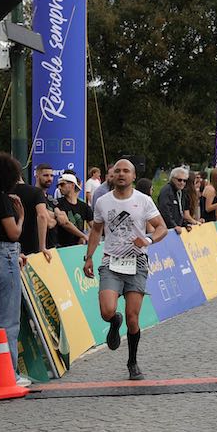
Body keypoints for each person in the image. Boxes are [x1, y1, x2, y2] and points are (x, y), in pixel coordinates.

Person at [83, 159, 167, 381]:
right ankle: (114, 321)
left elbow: (162, 227)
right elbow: (96, 231)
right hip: (111, 262)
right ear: (112, 175)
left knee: (132, 318)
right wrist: (89, 257)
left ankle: (132, 362)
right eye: (117, 171)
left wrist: (148, 239)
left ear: (133, 176)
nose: (121, 174)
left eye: (126, 171)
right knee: (107, 311)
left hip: (137, 262)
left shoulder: (144, 200)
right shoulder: (102, 201)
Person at [0, 150, 28, 386]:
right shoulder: (2, 199)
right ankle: (9, 372)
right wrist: (21, 216)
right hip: (4, 256)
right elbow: (13, 233)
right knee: (8, 319)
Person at [55, 172, 92, 247]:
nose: (59, 188)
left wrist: (87, 237)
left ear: (72, 185)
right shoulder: (57, 203)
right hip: (61, 247)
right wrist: (83, 236)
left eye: (62, 184)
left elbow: (95, 227)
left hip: (79, 248)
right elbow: (65, 223)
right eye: (58, 185)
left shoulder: (84, 206)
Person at [157, 166, 193, 234]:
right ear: (172, 179)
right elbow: (165, 211)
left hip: (177, 229)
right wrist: (174, 226)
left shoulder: (182, 192)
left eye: (185, 181)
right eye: (179, 180)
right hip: (167, 231)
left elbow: (181, 212)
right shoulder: (166, 191)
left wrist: (185, 225)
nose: (182, 182)